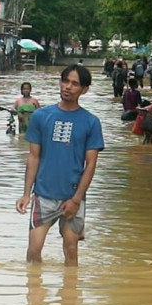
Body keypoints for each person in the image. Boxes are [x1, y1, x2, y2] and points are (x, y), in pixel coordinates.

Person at [16, 64, 105, 267]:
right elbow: (33, 157)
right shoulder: (41, 116)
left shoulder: (91, 122)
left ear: (84, 90)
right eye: (65, 81)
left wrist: (76, 200)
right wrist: (26, 194)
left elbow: (91, 165)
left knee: (71, 250)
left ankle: (71, 287)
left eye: (74, 83)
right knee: (33, 251)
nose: (68, 87)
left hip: (73, 196)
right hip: (44, 195)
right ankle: (34, 286)